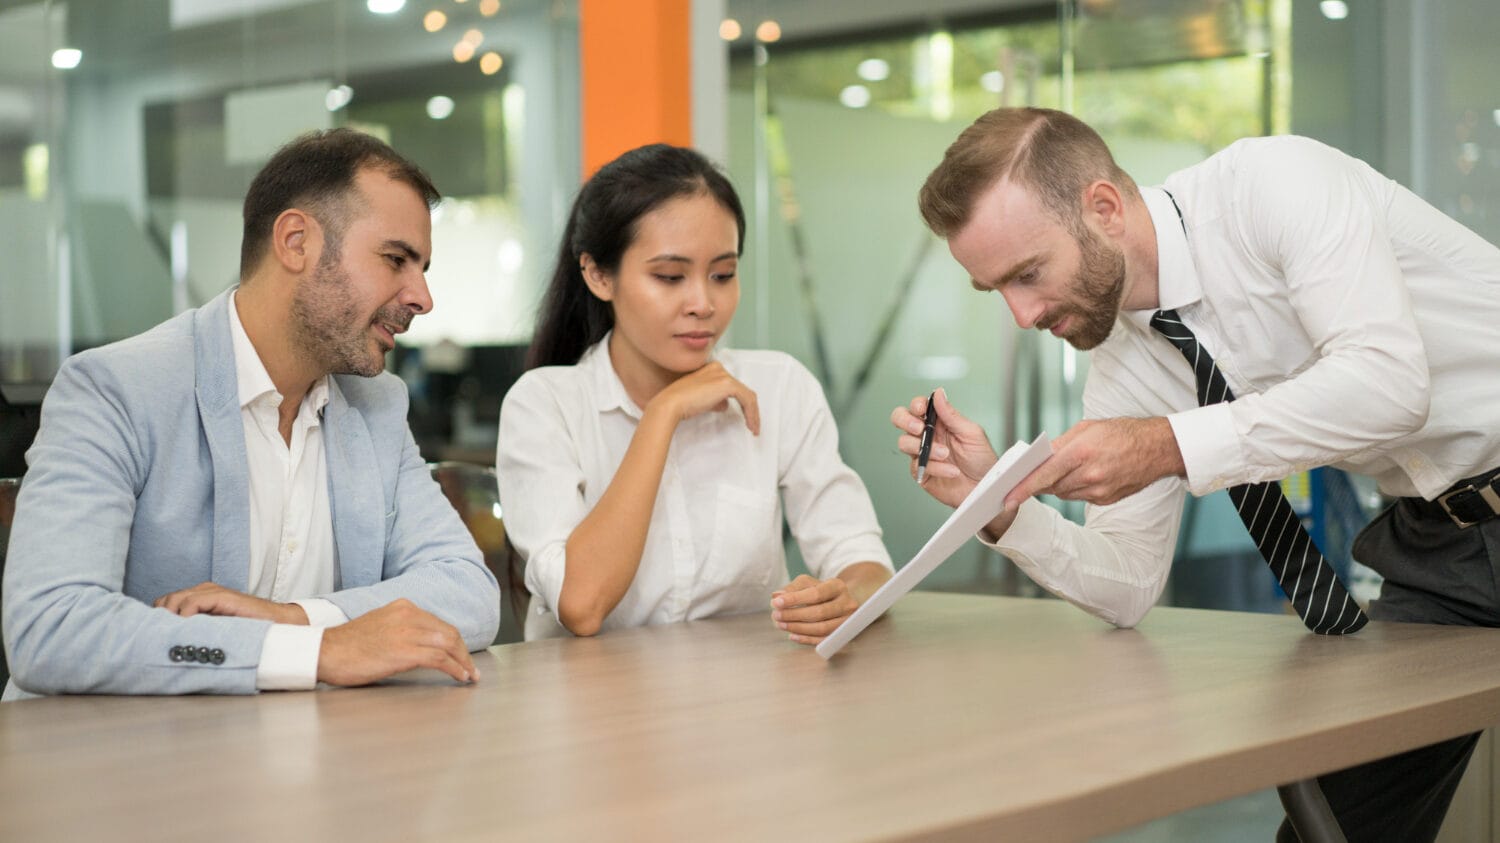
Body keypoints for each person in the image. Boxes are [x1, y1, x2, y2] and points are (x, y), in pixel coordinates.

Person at [891, 106, 1500, 842]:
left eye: (1028, 273)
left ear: (1104, 207)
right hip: (1441, 545)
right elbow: (1127, 583)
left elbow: (1389, 384)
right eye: (998, 291)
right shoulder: (1123, 361)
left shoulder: (1275, 186)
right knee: (1335, 830)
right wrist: (1000, 507)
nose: (1021, 314)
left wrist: (1168, 445)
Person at [2, 129, 500, 699]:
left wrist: (295, 619)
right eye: (395, 260)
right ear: (295, 241)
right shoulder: (116, 389)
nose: (422, 297)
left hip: (302, 758)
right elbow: (51, 628)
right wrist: (318, 651)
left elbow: (469, 592)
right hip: (115, 768)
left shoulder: (377, 405)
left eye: (423, 269)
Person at [498, 143, 892, 642]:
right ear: (599, 275)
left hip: (743, 700)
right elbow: (582, 604)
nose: (703, 303)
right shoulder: (544, 405)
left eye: (723, 275)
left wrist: (844, 598)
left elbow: (865, 562)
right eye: (669, 277)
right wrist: (663, 414)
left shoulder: (779, 387)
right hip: (591, 707)